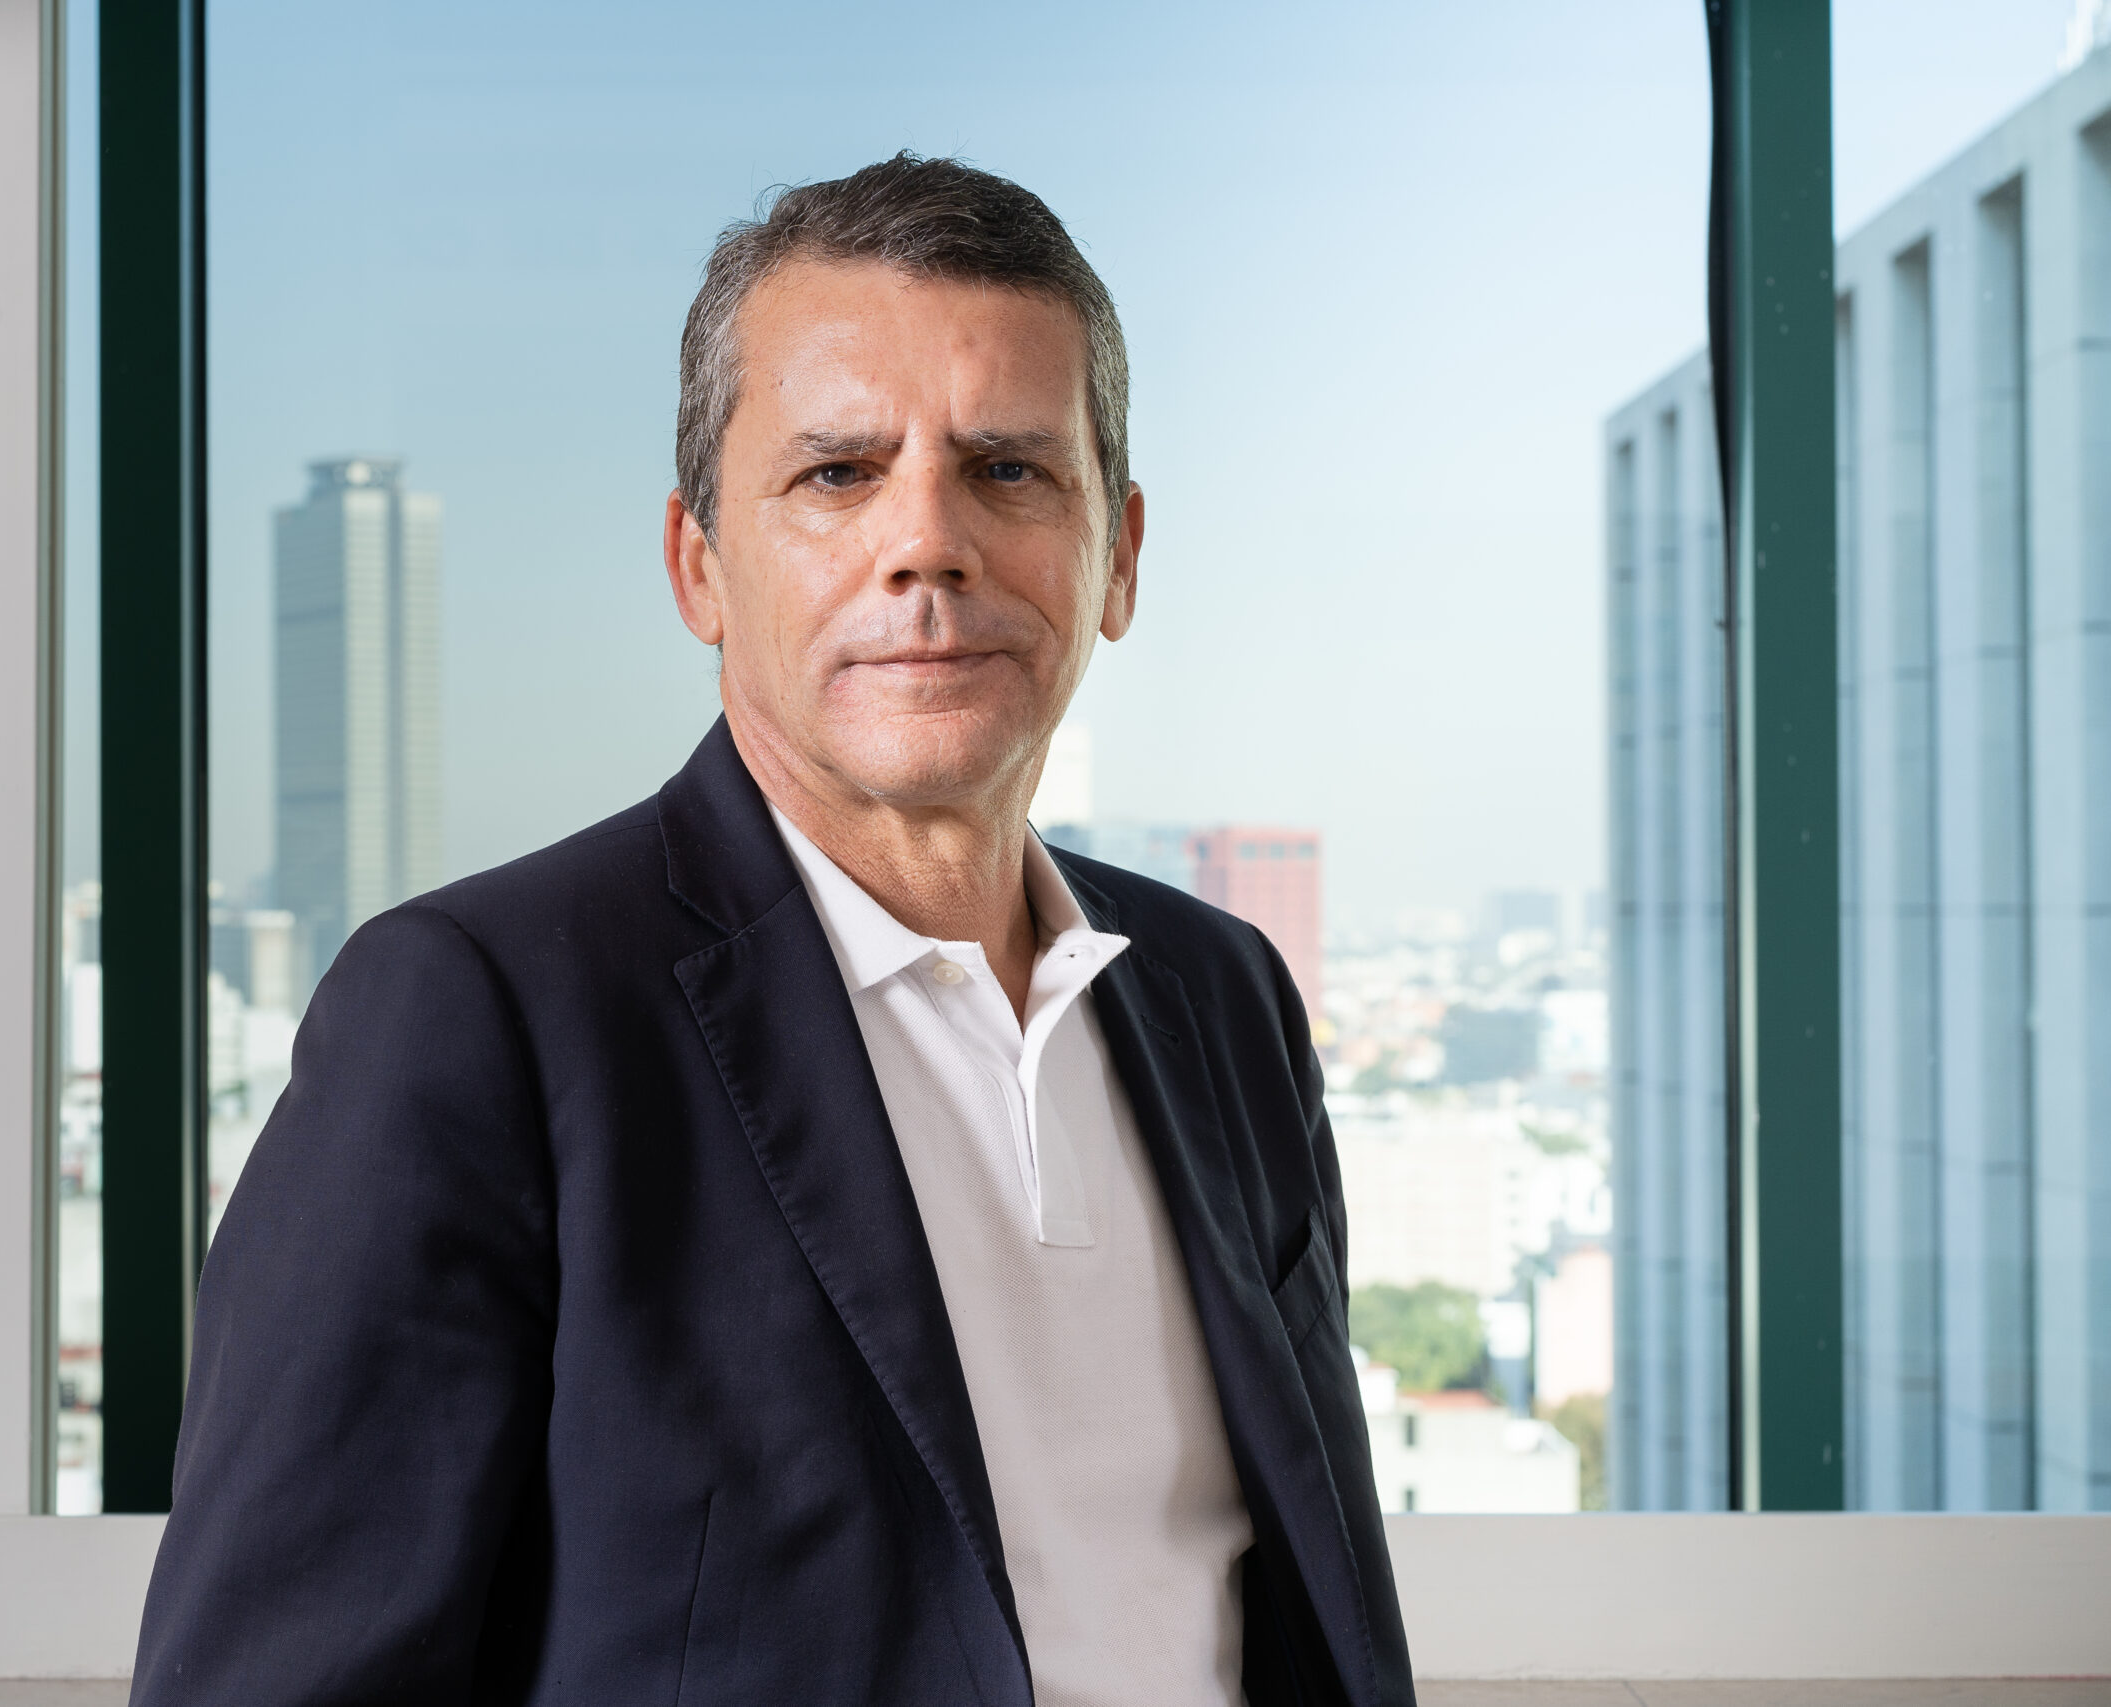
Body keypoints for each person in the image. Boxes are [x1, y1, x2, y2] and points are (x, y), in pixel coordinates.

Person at [130, 153, 1412, 1707]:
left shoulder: (1225, 998)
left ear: (1119, 556)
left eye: (1009, 470)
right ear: (700, 567)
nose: (927, 543)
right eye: (838, 474)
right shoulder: (479, 1018)